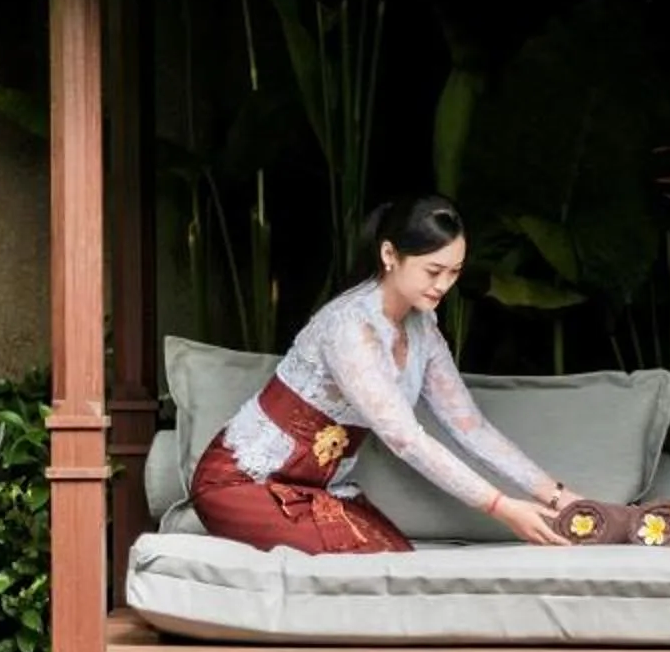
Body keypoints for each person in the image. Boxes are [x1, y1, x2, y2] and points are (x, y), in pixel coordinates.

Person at [189, 195, 578, 554]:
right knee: (374, 565)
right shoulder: (349, 326)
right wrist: (503, 507)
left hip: (314, 489)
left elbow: (470, 427)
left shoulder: (422, 327)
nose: (443, 285)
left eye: (454, 272)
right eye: (433, 270)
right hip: (241, 484)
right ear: (390, 254)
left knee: (399, 560)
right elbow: (405, 438)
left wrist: (557, 496)